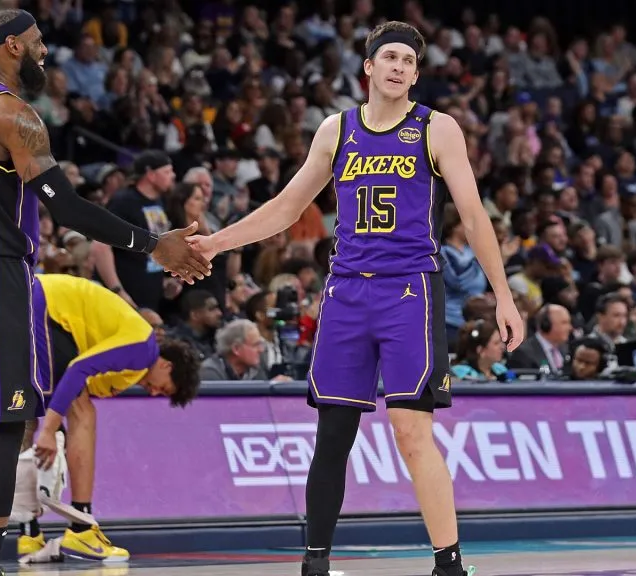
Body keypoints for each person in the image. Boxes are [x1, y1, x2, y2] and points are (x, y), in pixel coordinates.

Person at [186, 20, 524, 576]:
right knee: (333, 435)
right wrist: (218, 244)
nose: (398, 67)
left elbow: (473, 214)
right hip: (346, 293)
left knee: (412, 432)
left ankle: (450, 564)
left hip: (409, 291)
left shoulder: (437, 129)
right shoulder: (335, 130)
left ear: (416, 73)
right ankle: (315, 562)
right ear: (368, 66)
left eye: (409, 61)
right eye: (389, 56)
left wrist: (504, 297)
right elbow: (288, 207)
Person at [0, 10, 211, 576]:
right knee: (4, 425)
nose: (46, 51)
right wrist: (155, 245)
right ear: (12, 46)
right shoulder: (12, 113)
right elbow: (69, 209)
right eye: (37, 42)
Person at [11, 274, 201, 562]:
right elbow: (76, 371)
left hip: (23, 299)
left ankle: (28, 534)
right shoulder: (142, 349)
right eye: (163, 388)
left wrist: (51, 426)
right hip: (43, 305)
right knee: (82, 411)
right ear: (166, 364)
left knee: (26, 415)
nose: (153, 393)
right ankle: (81, 528)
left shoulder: (130, 366)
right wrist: (50, 431)